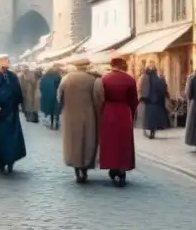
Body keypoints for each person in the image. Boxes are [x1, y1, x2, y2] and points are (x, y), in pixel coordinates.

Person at [94, 57, 138, 187]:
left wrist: (101, 111)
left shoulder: (105, 79)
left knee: (110, 141)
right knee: (123, 141)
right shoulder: (130, 80)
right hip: (124, 112)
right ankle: (122, 168)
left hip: (108, 111)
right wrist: (132, 112)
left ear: (112, 65)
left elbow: (100, 97)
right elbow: (134, 101)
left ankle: (112, 166)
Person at [0, 54, 27, 174]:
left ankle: (6, 160)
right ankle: (3, 160)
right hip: (0, 111)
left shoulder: (9, 75)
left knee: (7, 136)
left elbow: (17, 92)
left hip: (8, 111)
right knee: (1, 136)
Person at [57, 59, 98, 183]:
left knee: (73, 141)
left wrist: (64, 108)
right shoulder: (93, 80)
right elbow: (98, 97)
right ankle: (85, 166)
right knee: (87, 139)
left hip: (70, 115)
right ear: (87, 67)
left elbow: (59, 96)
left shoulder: (66, 78)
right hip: (88, 114)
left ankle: (76, 166)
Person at [137, 62, 169, 139]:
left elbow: (140, 88)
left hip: (147, 100)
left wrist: (140, 97)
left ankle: (147, 130)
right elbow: (163, 89)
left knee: (146, 118)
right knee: (153, 118)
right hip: (156, 101)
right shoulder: (158, 78)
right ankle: (152, 131)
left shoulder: (144, 77)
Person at [39, 64, 62, 130]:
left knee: (50, 110)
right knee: (56, 110)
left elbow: (41, 87)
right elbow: (60, 86)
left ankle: (51, 123)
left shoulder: (45, 77)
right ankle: (56, 123)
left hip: (47, 95)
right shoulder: (57, 76)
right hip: (55, 95)